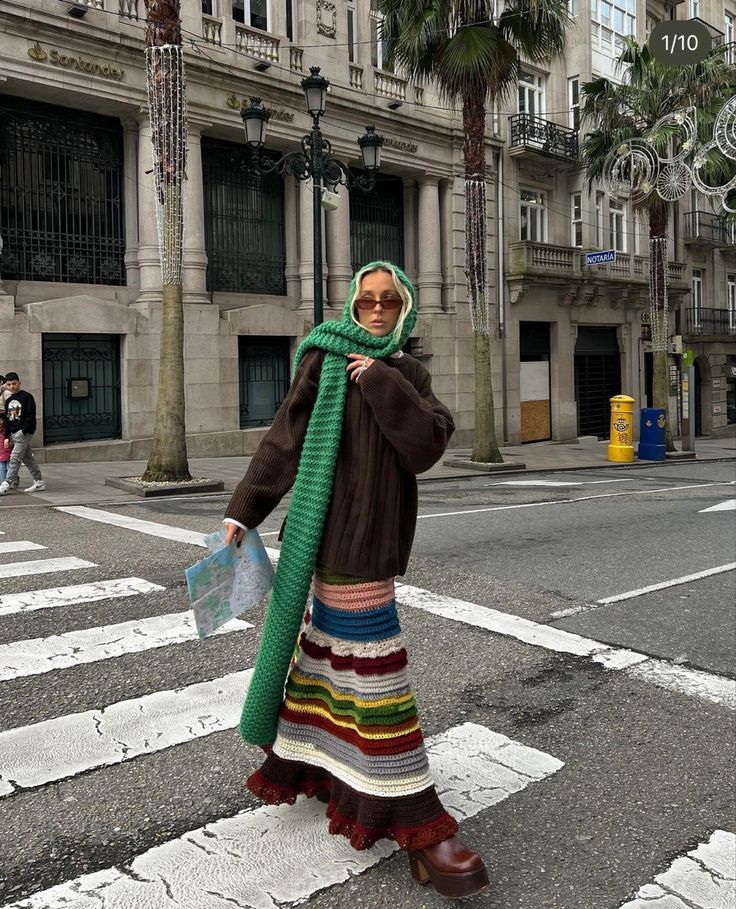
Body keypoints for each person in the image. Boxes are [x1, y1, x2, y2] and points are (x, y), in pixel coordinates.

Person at [223, 261, 489, 899]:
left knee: (338, 659)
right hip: (325, 540)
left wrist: (379, 381)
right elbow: (285, 441)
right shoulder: (321, 359)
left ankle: (311, 759)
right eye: (365, 301)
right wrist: (242, 510)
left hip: (373, 546)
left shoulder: (409, 375)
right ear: (350, 304)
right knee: (377, 675)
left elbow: (425, 446)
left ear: (404, 310)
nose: (375, 311)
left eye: (388, 302)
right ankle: (421, 825)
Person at [0, 372, 46, 495]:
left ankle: (6, 483)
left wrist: (23, 431)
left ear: (19, 383)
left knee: (14, 458)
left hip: (24, 433)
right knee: (27, 459)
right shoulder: (9, 400)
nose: (12, 386)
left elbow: (30, 416)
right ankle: (39, 481)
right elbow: (7, 419)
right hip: (13, 433)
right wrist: (6, 436)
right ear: (6, 385)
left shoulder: (27, 397)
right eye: (9, 384)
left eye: (14, 383)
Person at [0, 413, 11, 484]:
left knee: (9, 467)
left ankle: (9, 480)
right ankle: (3, 482)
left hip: (8, 451)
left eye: (1, 420)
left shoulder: (6, 430)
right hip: (1, 452)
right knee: (2, 468)